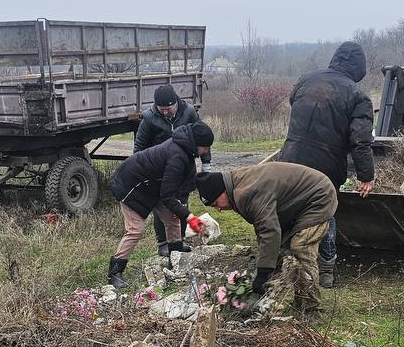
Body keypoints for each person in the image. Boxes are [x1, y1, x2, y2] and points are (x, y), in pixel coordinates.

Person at [277, 41, 375, 289]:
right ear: (359, 68)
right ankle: (326, 270)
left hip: (290, 159)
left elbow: (293, 103)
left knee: (290, 208)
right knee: (325, 214)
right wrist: (366, 175)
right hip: (326, 166)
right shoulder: (357, 95)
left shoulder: (306, 80)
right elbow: (360, 141)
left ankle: (285, 262)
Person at [195, 162, 337, 313]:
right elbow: (262, 225)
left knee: (300, 247)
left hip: (318, 196)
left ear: (222, 191)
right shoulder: (235, 186)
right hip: (297, 202)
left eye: (216, 203)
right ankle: (287, 297)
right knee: (281, 250)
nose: (219, 209)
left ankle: (309, 307)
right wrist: (266, 264)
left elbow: (269, 230)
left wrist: (263, 272)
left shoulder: (247, 192)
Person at [107, 122, 214, 289]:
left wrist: (183, 211)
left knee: (173, 219)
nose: (206, 151)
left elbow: (177, 189)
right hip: (130, 184)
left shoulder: (185, 151)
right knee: (136, 230)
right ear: (197, 143)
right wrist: (190, 217)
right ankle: (115, 272)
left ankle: (176, 257)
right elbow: (168, 196)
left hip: (153, 187)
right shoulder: (177, 156)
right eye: (205, 147)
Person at [134, 85, 212, 258]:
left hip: (184, 168)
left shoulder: (189, 112)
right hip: (159, 170)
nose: (165, 113)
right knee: (162, 206)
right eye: (161, 110)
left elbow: (203, 136)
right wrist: (144, 171)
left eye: (168, 109)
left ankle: (180, 240)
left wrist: (206, 164)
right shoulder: (149, 118)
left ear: (175, 103)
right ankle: (163, 243)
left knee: (181, 203)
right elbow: (139, 147)